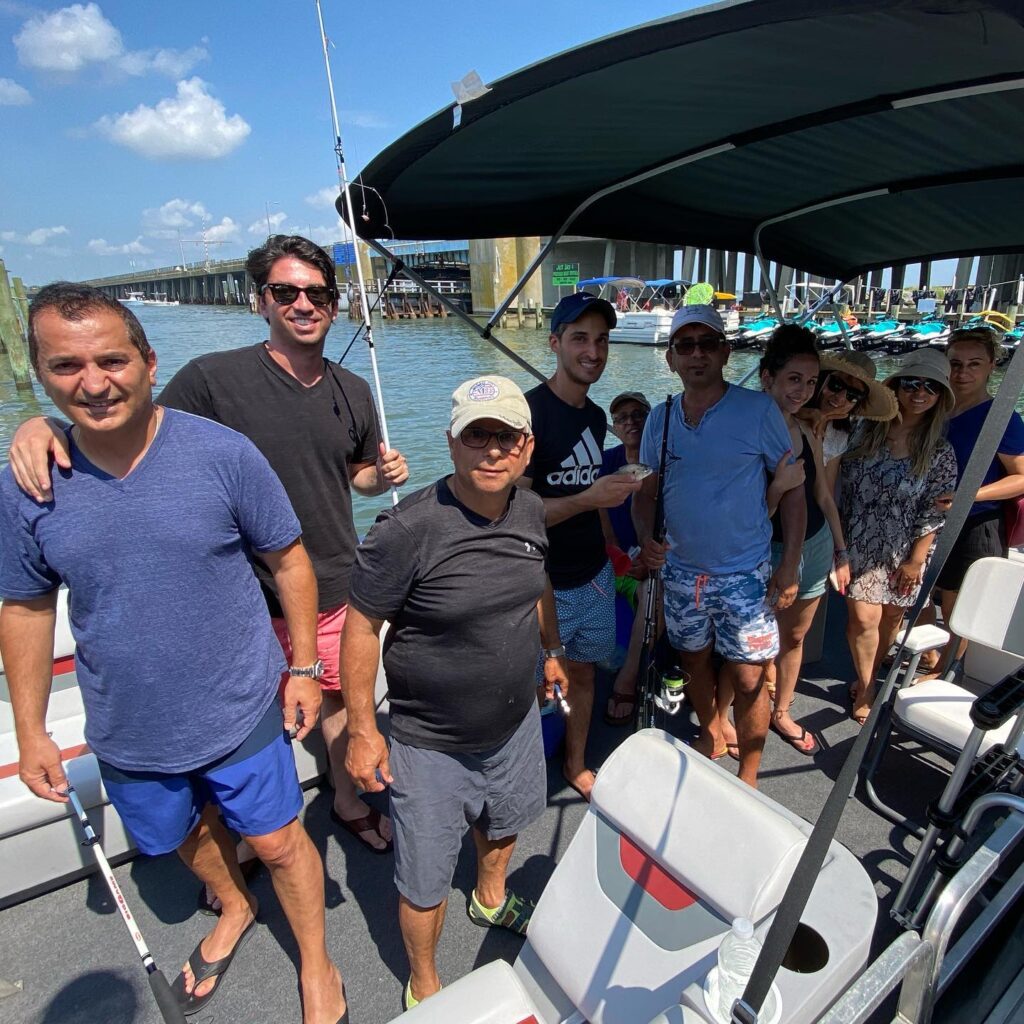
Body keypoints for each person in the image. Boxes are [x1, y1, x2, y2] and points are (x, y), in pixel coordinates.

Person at [0, 285, 348, 1024]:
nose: (93, 383)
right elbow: (27, 607)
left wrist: (303, 668)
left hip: (239, 705)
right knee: (179, 838)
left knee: (281, 843)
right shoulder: (27, 484)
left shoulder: (222, 454)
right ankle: (234, 907)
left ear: (150, 362)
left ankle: (317, 964)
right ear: (40, 374)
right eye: (66, 366)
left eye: (112, 359)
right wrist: (32, 730)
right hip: (128, 726)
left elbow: (290, 562)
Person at [7, 235, 409, 867]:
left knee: (333, 695)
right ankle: (254, 837)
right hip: (240, 595)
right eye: (286, 292)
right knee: (244, 719)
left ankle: (346, 801)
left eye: (318, 294)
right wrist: (41, 425)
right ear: (261, 302)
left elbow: (353, 474)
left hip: (331, 573)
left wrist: (377, 479)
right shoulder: (213, 378)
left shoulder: (353, 390)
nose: (303, 304)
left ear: (335, 305)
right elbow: (125, 425)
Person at [338, 375, 568, 1011]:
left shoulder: (529, 508)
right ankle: (426, 979)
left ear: (525, 448)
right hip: (429, 741)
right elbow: (360, 627)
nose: (491, 451)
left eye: (505, 438)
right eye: (477, 436)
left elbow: (539, 580)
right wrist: (362, 730)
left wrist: (550, 653)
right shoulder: (407, 529)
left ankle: (490, 897)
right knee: (423, 879)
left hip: (516, 719)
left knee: (507, 823)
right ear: (452, 444)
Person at [634, 306, 805, 787]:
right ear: (669, 358)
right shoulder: (661, 418)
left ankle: (749, 774)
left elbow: (792, 492)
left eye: (707, 343)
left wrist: (788, 565)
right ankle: (711, 728)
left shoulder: (758, 410)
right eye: (684, 346)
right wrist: (646, 538)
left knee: (750, 678)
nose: (696, 354)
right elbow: (645, 493)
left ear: (726, 352)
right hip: (681, 574)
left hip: (745, 576)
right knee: (691, 660)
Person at [521, 293, 642, 800]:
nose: (593, 351)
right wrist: (589, 496)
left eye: (601, 340)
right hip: (540, 583)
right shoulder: (527, 413)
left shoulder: (596, 418)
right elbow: (519, 514)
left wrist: (614, 542)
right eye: (580, 339)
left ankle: (575, 762)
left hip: (593, 575)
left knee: (586, 675)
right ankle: (519, 780)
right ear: (554, 343)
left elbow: (592, 502)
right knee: (528, 691)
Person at [759, 326, 865, 755]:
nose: (806, 390)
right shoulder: (750, 422)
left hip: (814, 541)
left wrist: (841, 552)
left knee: (795, 636)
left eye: (811, 381)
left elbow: (822, 494)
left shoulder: (812, 431)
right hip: (765, 546)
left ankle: (781, 710)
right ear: (768, 377)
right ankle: (755, 696)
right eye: (794, 380)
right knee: (757, 633)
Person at [841, 348, 957, 724]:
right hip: (858, 540)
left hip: (906, 547)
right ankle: (867, 686)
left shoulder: (939, 451)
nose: (920, 393)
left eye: (931, 387)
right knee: (863, 618)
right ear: (896, 387)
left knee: (891, 620)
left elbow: (933, 510)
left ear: (940, 397)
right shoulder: (862, 431)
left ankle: (869, 677)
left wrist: (915, 560)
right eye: (911, 383)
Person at [933, 327, 1024, 669]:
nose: (962, 373)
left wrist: (967, 497)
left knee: (958, 601)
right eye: (955, 363)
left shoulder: (1002, 418)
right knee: (920, 592)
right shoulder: (936, 407)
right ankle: (928, 656)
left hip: (976, 522)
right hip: (930, 519)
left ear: (991, 366)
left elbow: (1021, 477)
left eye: (974, 364)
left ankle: (947, 670)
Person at [600, 391, 651, 725]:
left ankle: (628, 678)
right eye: (622, 418)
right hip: (612, 558)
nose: (630, 422)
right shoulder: (606, 462)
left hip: (652, 561)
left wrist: (645, 557)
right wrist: (617, 554)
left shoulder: (664, 461)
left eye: (638, 414)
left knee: (651, 594)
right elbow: (598, 511)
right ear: (614, 426)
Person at [798, 350, 899, 492]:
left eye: (853, 395)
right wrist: (803, 413)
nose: (840, 398)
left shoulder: (838, 434)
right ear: (820, 380)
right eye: (836, 385)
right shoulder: (786, 413)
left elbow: (826, 491)